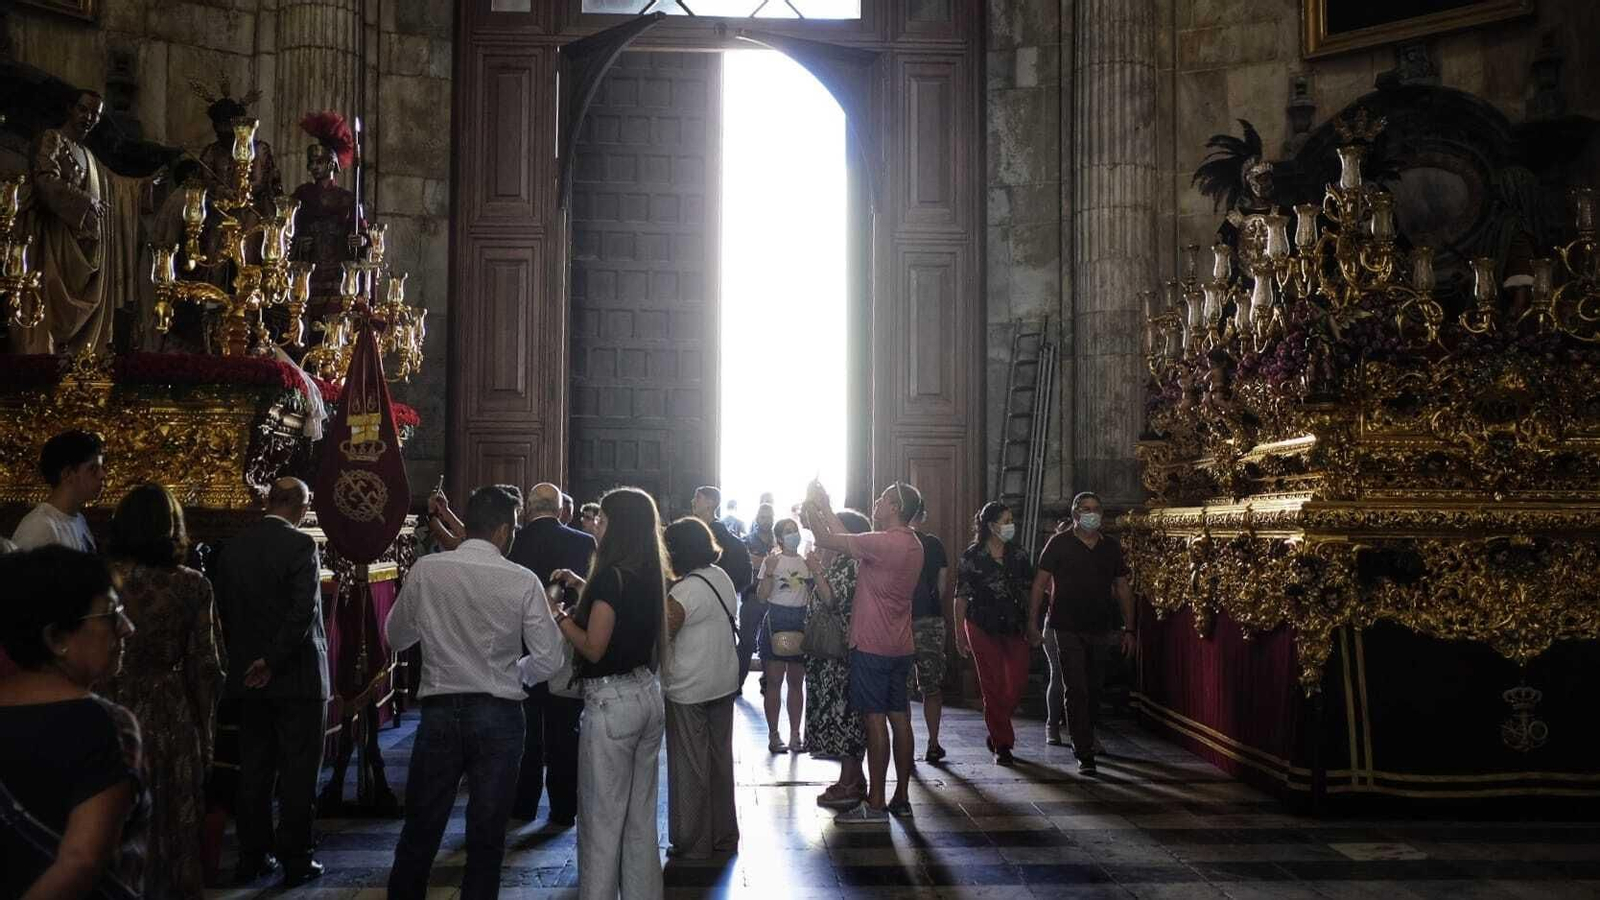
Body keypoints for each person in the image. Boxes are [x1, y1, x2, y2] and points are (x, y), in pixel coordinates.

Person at [386, 485, 566, 900]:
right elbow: (551, 658)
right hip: (499, 714)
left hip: (438, 712)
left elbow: (395, 636)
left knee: (421, 828)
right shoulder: (521, 580)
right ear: (504, 531)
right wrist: (516, 672)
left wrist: (433, 632)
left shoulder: (428, 570)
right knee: (487, 836)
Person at [0, 546, 147, 899]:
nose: (126, 628)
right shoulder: (105, 725)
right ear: (56, 639)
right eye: (111, 614)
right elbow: (81, 863)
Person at [100, 484, 224, 900]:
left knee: (112, 816)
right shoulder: (191, 585)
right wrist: (206, 737)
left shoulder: (103, 581)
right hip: (170, 709)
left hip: (110, 707)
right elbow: (206, 667)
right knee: (171, 819)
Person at [547, 487, 667, 900]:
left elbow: (594, 646)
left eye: (602, 518)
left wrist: (558, 615)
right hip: (646, 697)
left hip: (612, 704)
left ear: (618, 526)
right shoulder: (649, 572)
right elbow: (622, 619)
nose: (595, 523)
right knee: (639, 821)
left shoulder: (610, 578)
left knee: (600, 823)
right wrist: (586, 588)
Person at [212, 478, 326, 887]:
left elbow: (223, 609)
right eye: (307, 503)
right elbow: (302, 612)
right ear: (296, 503)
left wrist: (253, 660)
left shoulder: (233, 548)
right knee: (298, 773)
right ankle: (297, 857)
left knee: (254, 771)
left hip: (247, 677)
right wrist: (272, 660)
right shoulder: (301, 545)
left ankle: (252, 856)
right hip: (295, 678)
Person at [804, 481, 923, 824]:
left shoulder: (883, 543)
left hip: (872, 645)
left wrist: (816, 507)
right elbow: (847, 540)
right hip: (901, 644)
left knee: (874, 722)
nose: (877, 503)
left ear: (896, 507)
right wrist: (825, 506)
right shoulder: (911, 544)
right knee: (899, 719)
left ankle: (874, 804)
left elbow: (830, 541)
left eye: (883, 499)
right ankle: (900, 796)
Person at [7, 90, 145, 355]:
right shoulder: (52, 138)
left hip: (85, 246)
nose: (89, 117)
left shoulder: (89, 157)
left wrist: (143, 187)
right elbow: (45, 179)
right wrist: (85, 202)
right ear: (71, 109)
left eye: (96, 114)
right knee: (45, 302)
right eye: (84, 110)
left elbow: (113, 187)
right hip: (55, 243)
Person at [506, 482, 596, 827]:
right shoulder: (583, 542)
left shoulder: (514, 541)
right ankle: (562, 809)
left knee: (525, 732)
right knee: (565, 732)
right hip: (565, 645)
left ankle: (523, 805)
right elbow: (589, 597)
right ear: (561, 510)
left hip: (521, 649)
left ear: (528, 509)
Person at [1028, 492, 1135, 773]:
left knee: (1094, 685)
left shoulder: (1110, 547)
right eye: (1086, 509)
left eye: (1096, 509)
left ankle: (1087, 733)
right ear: (1075, 513)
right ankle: (1083, 749)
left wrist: (1129, 627)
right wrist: (1033, 623)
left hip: (1099, 626)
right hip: (1065, 626)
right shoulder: (1059, 544)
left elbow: (1122, 587)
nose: (1092, 514)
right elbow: (1039, 585)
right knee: (1074, 686)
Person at [660, 517, 740, 860]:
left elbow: (663, 635)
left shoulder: (685, 589)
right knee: (720, 762)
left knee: (690, 766)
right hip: (722, 681)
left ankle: (692, 842)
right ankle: (723, 834)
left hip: (690, 687)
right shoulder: (720, 576)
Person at [954, 502, 1034, 766]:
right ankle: (1002, 743)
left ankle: (998, 727)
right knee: (993, 683)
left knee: (1017, 681)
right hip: (981, 624)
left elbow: (1031, 592)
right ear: (991, 526)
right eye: (1006, 520)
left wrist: (1033, 623)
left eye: (1012, 519)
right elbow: (961, 597)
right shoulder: (972, 556)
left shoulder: (1019, 555)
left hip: (1014, 625)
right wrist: (959, 633)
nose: (1011, 525)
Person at [804, 508, 872, 810]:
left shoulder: (852, 561)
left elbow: (834, 600)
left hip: (841, 651)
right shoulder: (832, 556)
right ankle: (852, 777)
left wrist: (816, 571)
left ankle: (850, 780)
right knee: (831, 712)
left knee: (844, 714)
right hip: (824, 653)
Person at [755, 516, 814, 753]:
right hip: (776, 620)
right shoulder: (772, 561)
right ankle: (773, 734)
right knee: (774, 682)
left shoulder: (806, 563)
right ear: (780, 537)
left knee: (796, 683)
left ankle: (795, 734)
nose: (793, 535)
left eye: (795, 530)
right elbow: (761, 596)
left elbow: (810, 594)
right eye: (788, 531)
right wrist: (769, 572)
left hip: (801, 620)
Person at [289, 110, 359, 310]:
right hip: (309, 265)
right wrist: (297, 241)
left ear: (331, 163)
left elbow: (361, 230)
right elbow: (289, 230)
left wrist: (360, 239)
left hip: (336, 267)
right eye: (311, 162)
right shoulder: (301, 195)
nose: (313, 167)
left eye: (318, 162)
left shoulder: (346, 198)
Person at [11, 429, 104, 552]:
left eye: (101, 468)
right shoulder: (39, 527)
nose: (102, 474)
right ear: (67, 474)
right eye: (92, 469)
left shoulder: (78, 518)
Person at [907, 506, 949, 763]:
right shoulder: (933, 544)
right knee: (931, 686)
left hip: (897, 620)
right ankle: (933, 743)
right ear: (923, 516)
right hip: (929, 619)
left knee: (901, 689)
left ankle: (905, 746)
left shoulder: (892, 541)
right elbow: (942, 583)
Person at [736, 501, 776, 687]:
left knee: (771, 644)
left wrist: (765, 562)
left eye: (769, 516)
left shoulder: (779, 541)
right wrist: (770, 562)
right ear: (756, 518)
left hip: (774, 599)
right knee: (745, 642)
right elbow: (749, 561)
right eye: (762, 516)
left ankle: (767, 681)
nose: (765, 520)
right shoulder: (747, 541)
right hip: (752, 597)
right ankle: (737, 683)